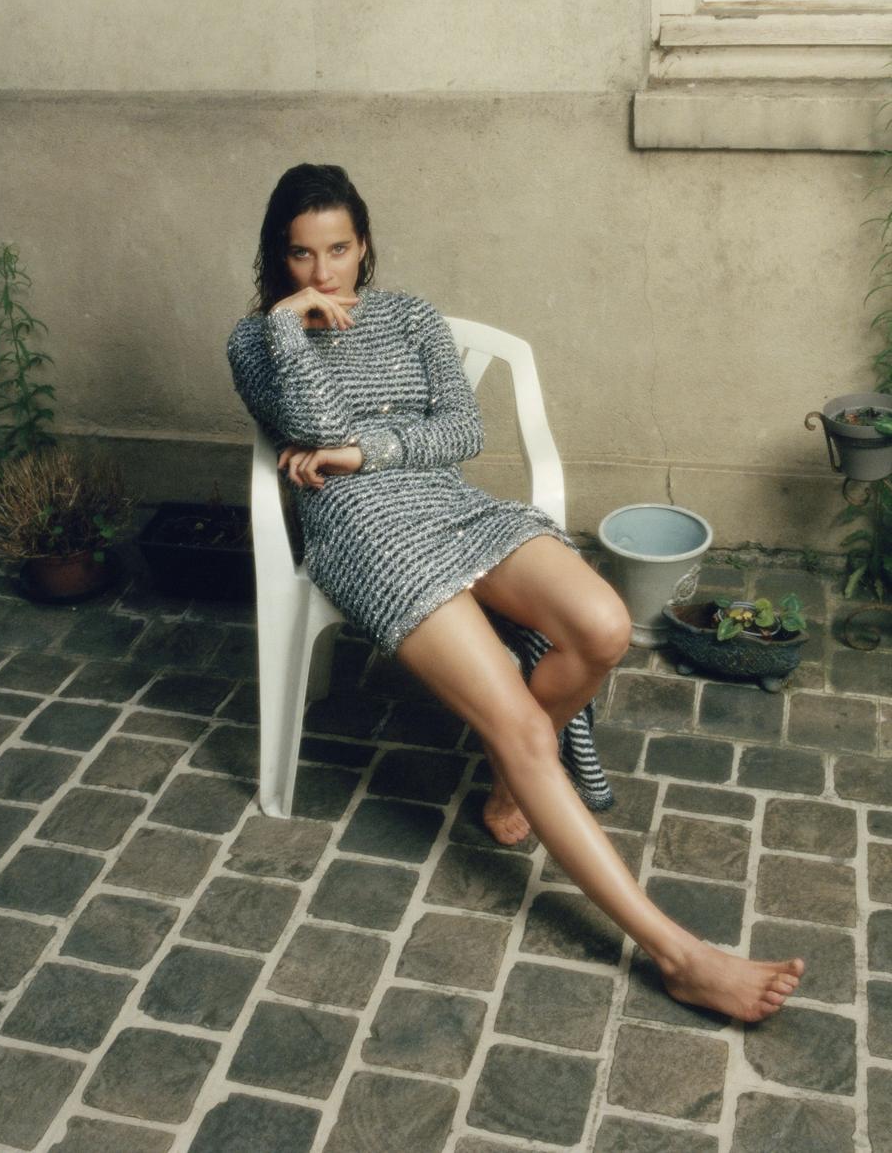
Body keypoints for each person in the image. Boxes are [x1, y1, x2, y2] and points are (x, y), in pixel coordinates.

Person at [228, 162, 803, 1022]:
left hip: (449, 503)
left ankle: (509, 785)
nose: (323, 272)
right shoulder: (257, 341)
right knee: (527, 726)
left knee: (603, 625)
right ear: (279, 256)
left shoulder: (410, 315)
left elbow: (462, 430)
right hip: (361, 531)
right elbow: (313, 427)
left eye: (338, 250)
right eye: (301, 254)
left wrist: (364, 451)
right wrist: (290, 325)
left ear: (364, 243)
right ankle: (679, 954)